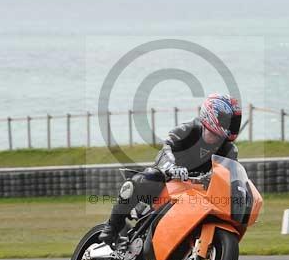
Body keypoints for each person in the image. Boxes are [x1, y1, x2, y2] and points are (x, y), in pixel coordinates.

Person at [98, 93, 242, 244]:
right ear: (212, 116)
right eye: (227, 120)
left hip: (197, 190)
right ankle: (111, 227)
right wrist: (171, 167)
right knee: (147, 178)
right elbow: (167, 149)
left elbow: (231, 174)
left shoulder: (229, 149)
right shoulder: (189, 130)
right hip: (169, 178)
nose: (229, 125)